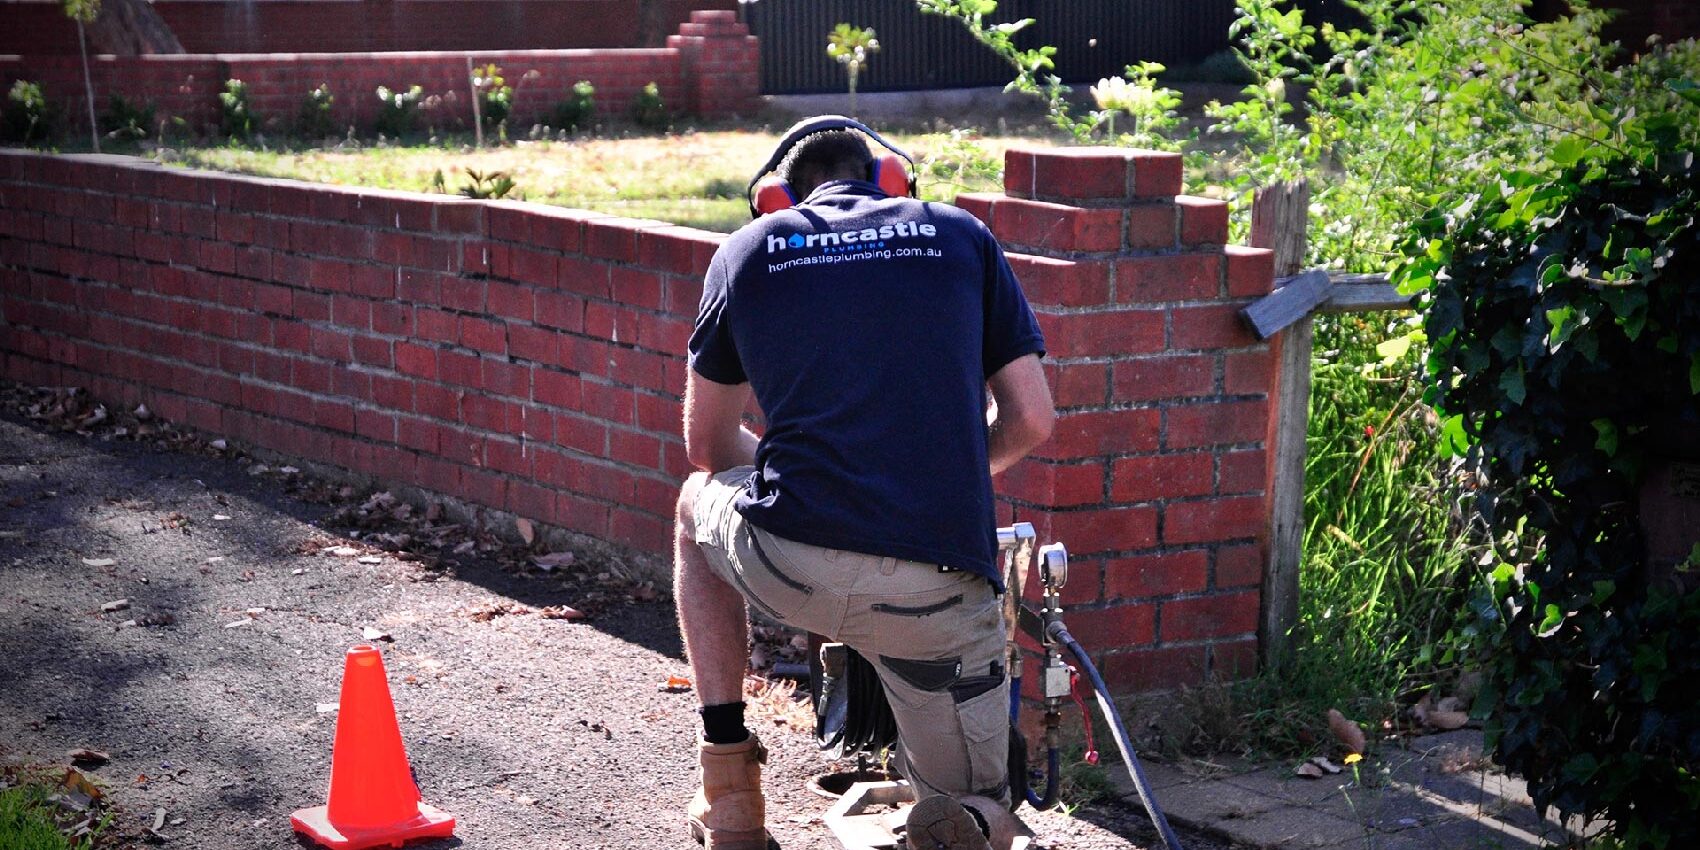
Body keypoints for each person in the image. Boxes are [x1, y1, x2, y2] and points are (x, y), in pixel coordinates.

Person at [674, 119, 1054, 850]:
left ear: (775, 199)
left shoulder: (747, 250)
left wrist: (810, 472)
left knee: (695, 507)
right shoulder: (963, 235)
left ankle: (728, 791)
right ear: (894, 181)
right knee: (981, 813)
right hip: (937, 593)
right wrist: (934, 473)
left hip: (792, 562)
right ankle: (961, 819)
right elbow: (1032, 420)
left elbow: (707, 447)